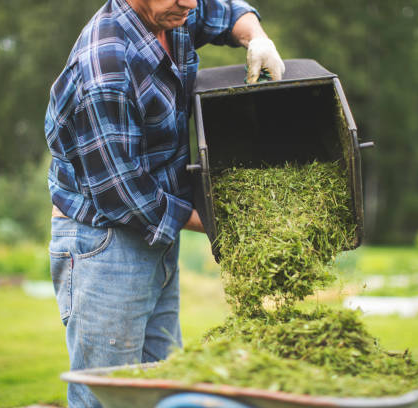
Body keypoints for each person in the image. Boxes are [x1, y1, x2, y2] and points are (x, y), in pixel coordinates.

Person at [44, 0, 284, 406]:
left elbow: (223, 12)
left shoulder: (174, 12)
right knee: (109, 396)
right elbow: (126, 195)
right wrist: (222, 222)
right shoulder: (105, 66)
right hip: (106, 243)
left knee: (164, 388)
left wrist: (257, 38)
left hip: (155, 236)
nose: (189, 3)